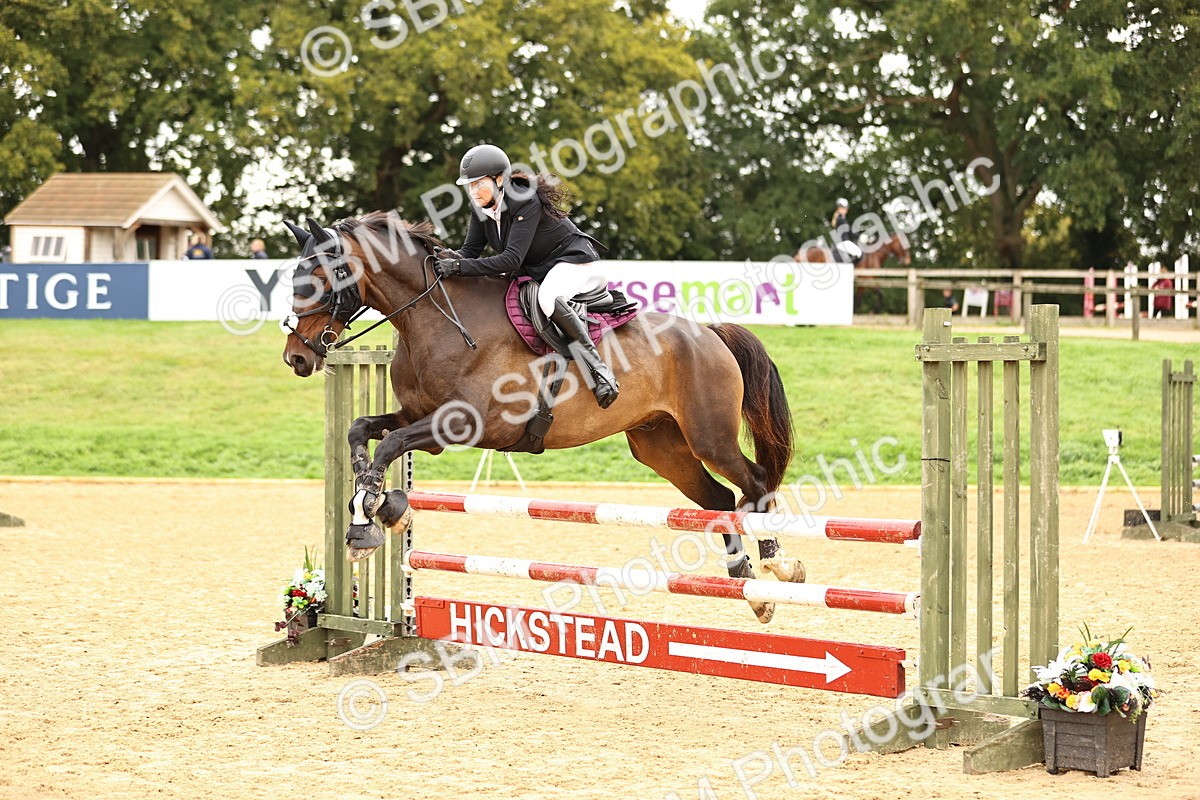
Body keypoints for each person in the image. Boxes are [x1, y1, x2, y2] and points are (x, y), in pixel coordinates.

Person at [433, 144, 619, 408]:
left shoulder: (524, 201)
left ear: (499, 179)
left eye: (478, 184)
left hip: (574, 262)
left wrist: (460, 268)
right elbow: (469, 252)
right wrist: (443, 259)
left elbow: (511, 259)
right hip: (542, 268)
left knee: (547, 298)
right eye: (469, 186)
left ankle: (600, 371)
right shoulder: (481, 209)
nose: (473, 192)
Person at [830, 197, 862, 263]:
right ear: (839, 209)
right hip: (843, 242)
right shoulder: (840, 220)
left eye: (846, 208)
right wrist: (859, 236)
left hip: (842, 242)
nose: (846, 210)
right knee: (859, 253)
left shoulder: (842, 219)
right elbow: (850, 231)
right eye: (844, 208)